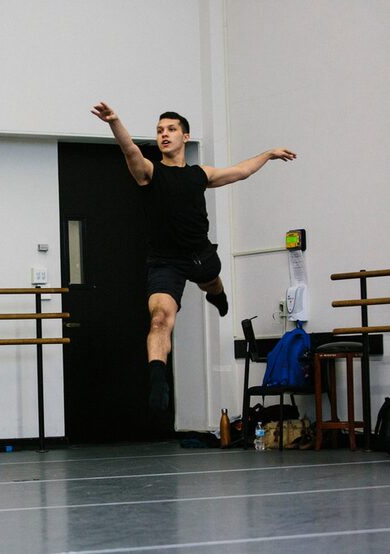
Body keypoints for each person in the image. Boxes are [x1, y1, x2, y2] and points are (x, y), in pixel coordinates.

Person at [91, 101, 296, 411]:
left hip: (200, 254)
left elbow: (241, 171)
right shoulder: (149, 172)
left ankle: (218, 295)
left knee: (211, 283)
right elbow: (131, 150)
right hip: (164, 262)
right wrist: (114, 122)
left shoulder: (201, 173)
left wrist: (268, 154)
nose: (164, 134)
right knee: (159, 320)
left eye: (171, 129)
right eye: (159, 130)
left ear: (185, 136)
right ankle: (158, 379)